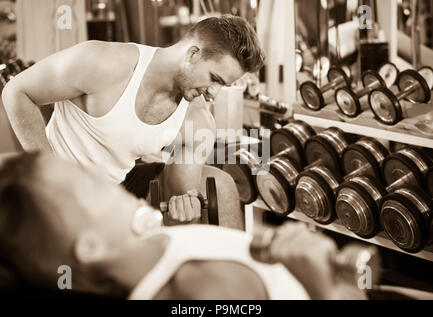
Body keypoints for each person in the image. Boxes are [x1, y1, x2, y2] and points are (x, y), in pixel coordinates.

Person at [1, 15, 265, 226]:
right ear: (193, 54)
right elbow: (16, 92)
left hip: (113, 191)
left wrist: (183, 210)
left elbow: (179, 195)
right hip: (56, 182)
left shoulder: (196, 120)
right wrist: (52, 175)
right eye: (215, 79)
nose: (213, 94)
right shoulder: (103, 62)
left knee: (222, 184)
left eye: (223, 86)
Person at [0, 152, 366, 300]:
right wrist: (327, 289)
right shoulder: (201, 292)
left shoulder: (147, 250)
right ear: (91, 246)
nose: (99, 175)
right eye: (85, 182)